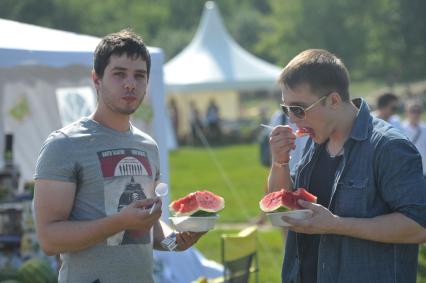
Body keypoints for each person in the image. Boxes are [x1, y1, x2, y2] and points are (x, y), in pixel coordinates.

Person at [33, 29, 204, 283]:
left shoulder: (148, 146)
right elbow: (49, 239)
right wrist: (119, 222)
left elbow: (147, 227)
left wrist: (176, 242)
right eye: (119, 73)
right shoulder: (64, 144)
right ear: (96, 79)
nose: (130, 83)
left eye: (139, 75)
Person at [267, 49, 426, 283]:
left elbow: (419, 226)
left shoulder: (388, 147)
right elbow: (281, 201)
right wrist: (279, 161)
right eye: (286, 109)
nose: (292, 119)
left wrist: (337, 225)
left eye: (298, 109)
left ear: (333, 100)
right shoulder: (317, 139)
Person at [402, 99, 426, 179]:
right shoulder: (400, 128)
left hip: (423, 170)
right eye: (413, 111)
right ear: (406, 112)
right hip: (407, 171)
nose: (415, 114)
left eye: (418, 111)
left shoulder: (425, 128)